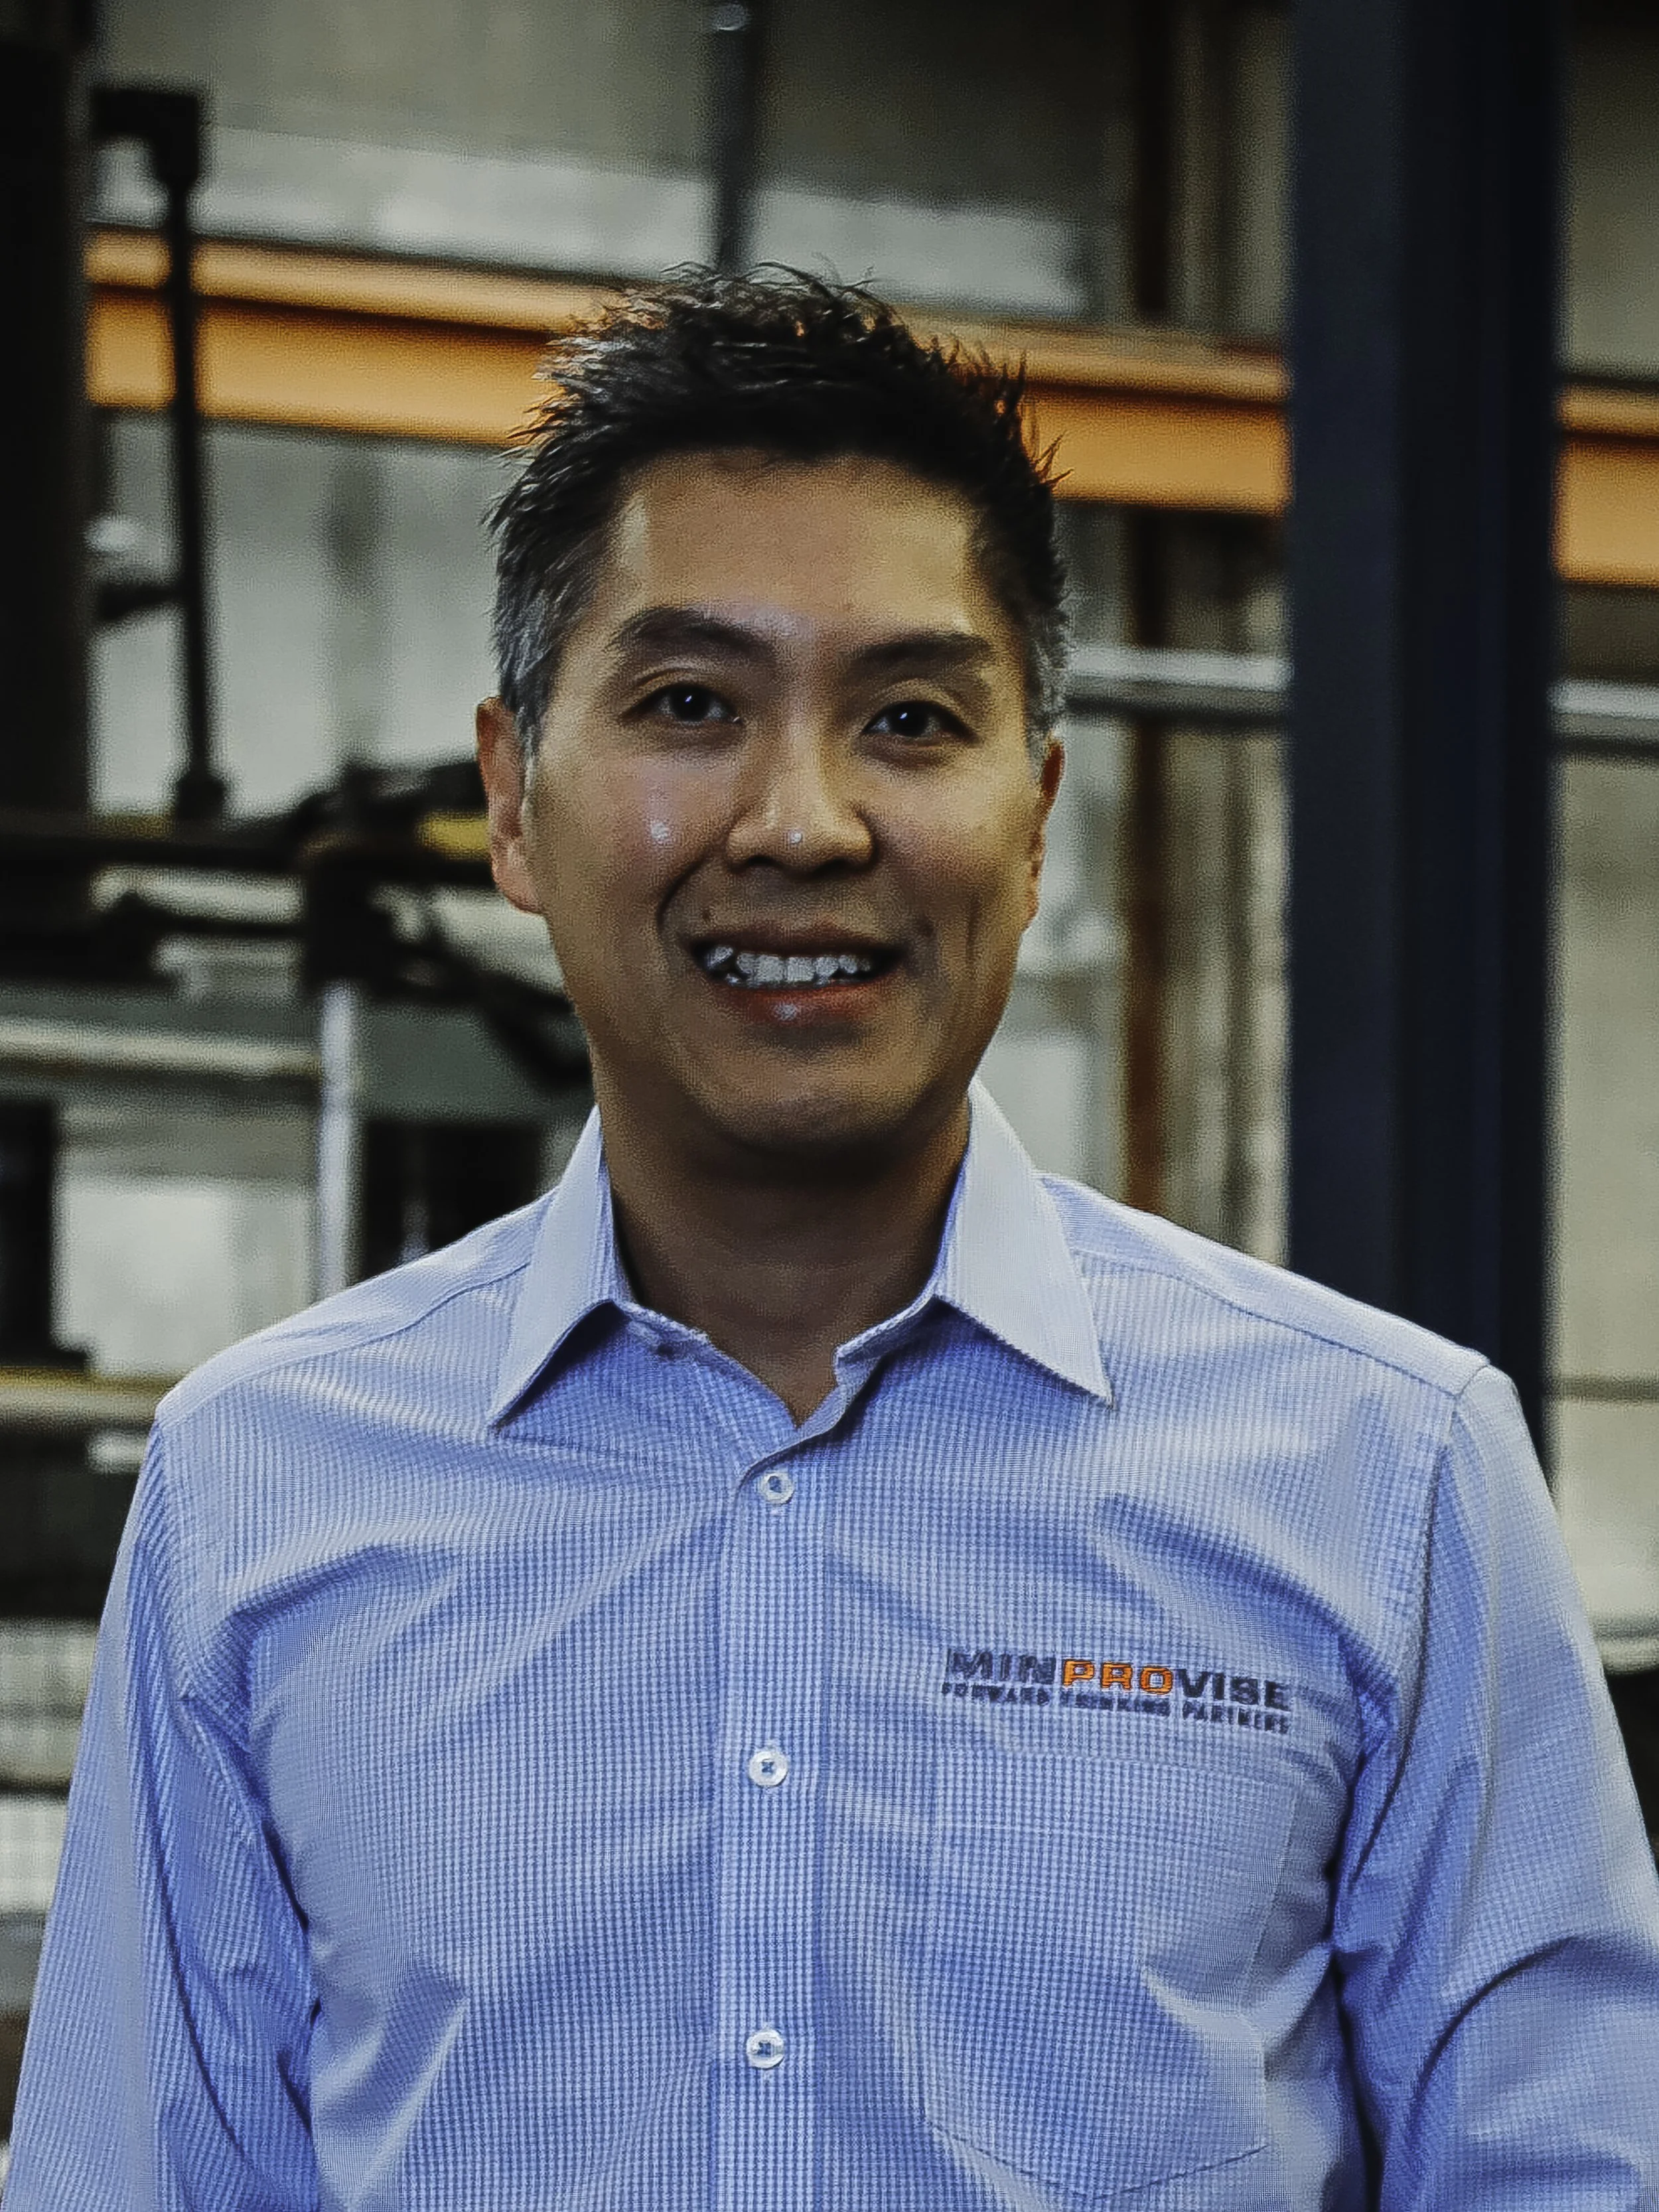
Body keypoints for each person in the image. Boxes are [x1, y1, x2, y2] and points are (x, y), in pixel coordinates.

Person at [9, 273, 1659, 2212]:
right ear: (513, 802)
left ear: (1035, 817)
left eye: (910, 719)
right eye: (689, 705)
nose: (802, 822)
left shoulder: (1386, 1474)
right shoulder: (261, 1486)